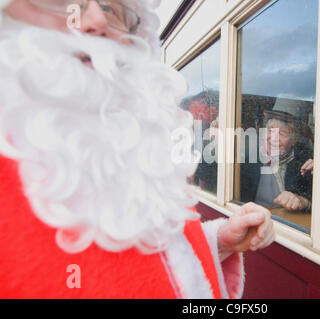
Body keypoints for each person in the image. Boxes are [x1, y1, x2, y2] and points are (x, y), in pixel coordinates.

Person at [0, 0, 275, 298]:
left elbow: (165, 259)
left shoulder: (139, 148)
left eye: (110, 9)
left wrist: (218, 242)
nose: (95, 21)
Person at [239, 97, 313, 211]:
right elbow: (211, 180)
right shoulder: (248, 158)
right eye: (270, 130)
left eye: (282, 133)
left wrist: (304, 201)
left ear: (295, 139)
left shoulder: (305, 162)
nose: (273, 138)